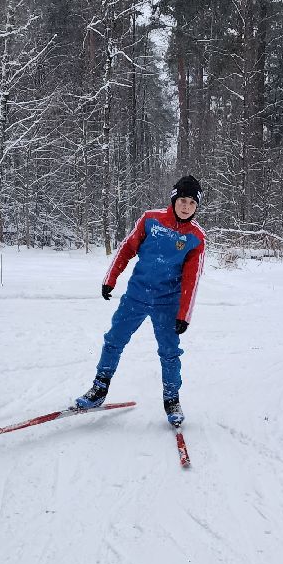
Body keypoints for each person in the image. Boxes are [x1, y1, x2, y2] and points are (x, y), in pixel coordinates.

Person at [74, 175, 206, 428]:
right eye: (182, 200)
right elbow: (127, 248)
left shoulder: (196, 237)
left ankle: (171, 398)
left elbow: (192, 278)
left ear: (196, 206)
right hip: (137, 295)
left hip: (168, 302)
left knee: (169, 352)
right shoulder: (151, 219)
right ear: (174, 199)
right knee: (114, 340)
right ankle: (99, 388)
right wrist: (111, 278)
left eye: (192, 202)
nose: (186, 206)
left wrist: (184, 314)